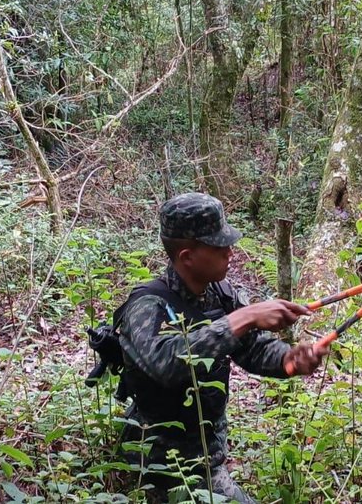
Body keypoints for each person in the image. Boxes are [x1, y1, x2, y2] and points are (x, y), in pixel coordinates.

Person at [115, 192, 327, 503]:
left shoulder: (220, 294)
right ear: (187, 256)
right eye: (218, 246)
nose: (230, 251)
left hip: (207, 458)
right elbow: (166, 363)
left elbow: (252, 349)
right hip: (160, 465)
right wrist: (245, 317)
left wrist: (291, 360)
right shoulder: (148, 305)